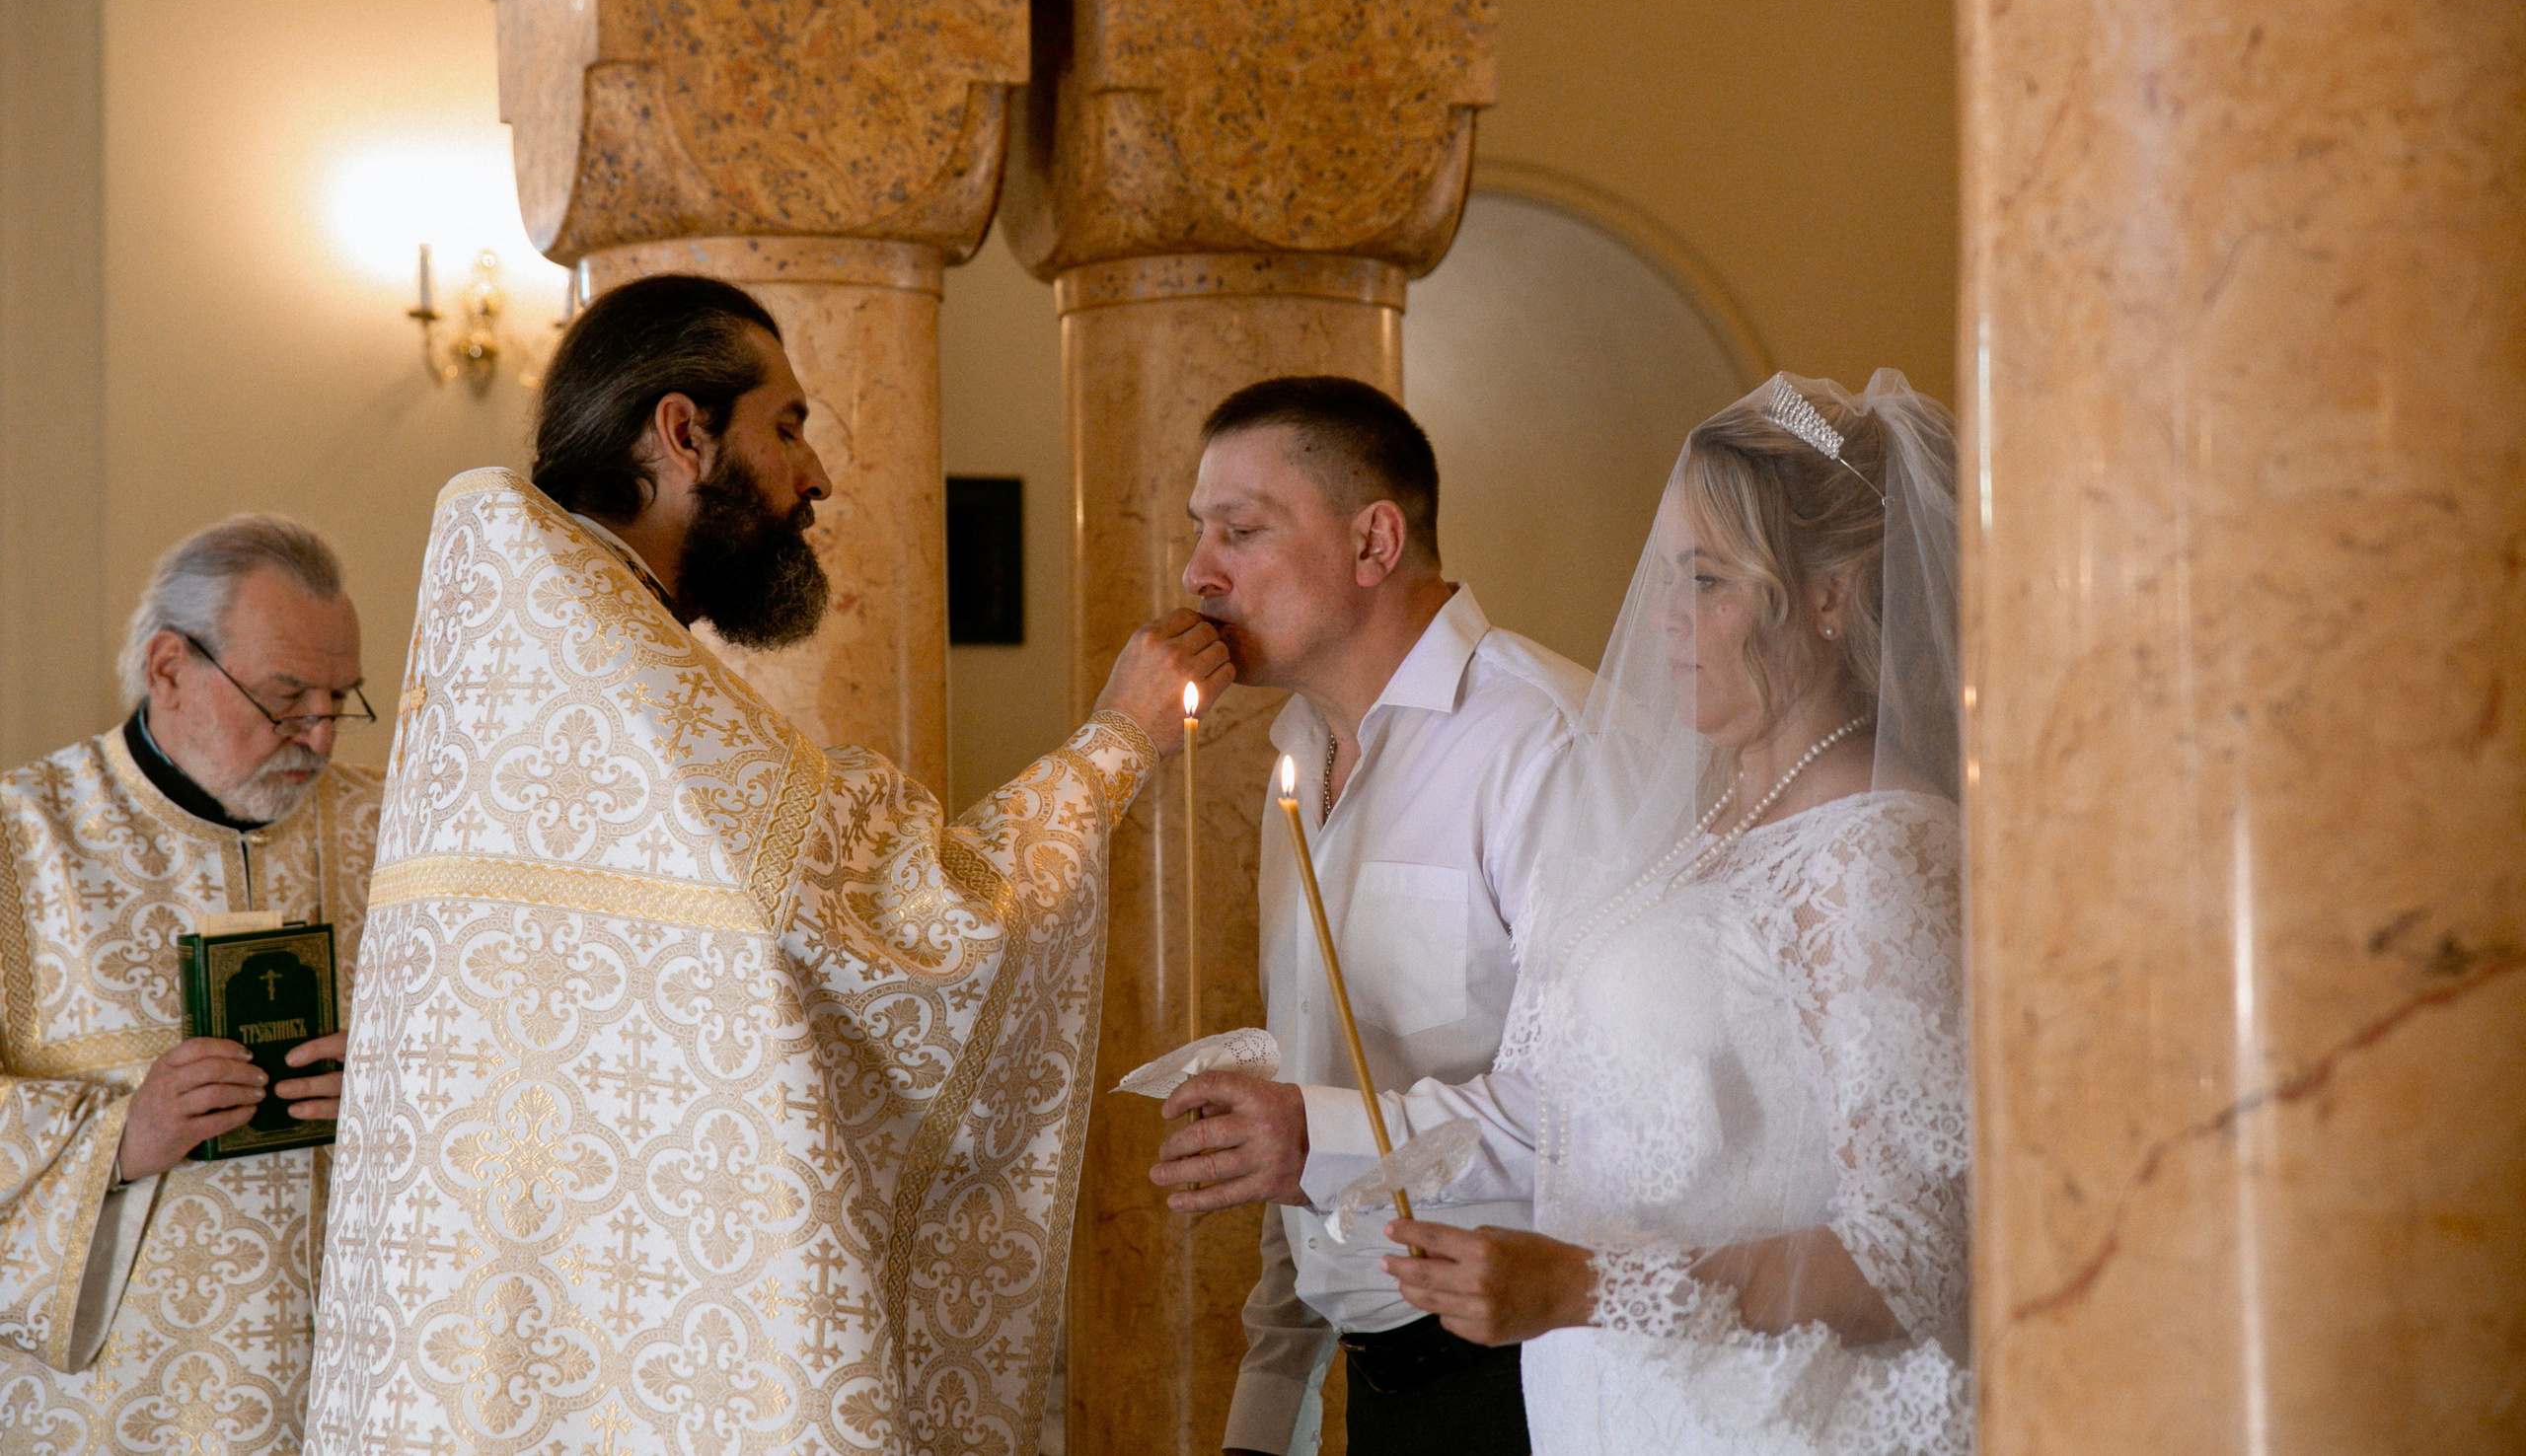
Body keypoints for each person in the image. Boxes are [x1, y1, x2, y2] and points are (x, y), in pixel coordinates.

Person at [304, 274, 1228, 1456]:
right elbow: (911, 918)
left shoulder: (539, 658)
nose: (819, 476)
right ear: (684, 434)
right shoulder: (598, 667)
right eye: (787, 427)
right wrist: (1117, 742)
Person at [1338, 372, 1971, 1453]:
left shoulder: (1874, 850)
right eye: (1665, 578)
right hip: (1623, 1412)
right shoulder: (1695, 833)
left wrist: (1590, 1288)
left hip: (1784, 1426)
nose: (1667, 624)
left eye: (1709, 582)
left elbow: (1920, 1249)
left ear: (1829, 594)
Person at [1146, 377, 1591, 1456]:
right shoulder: (1299, 749)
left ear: (1373, 541)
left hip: (1537, 1373)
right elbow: (1311, 1098)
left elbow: (1604, 1109)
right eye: (1197, 532)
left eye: (1240, 531)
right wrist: (1265, 1417)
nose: (1198, 573)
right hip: (1373, 1375)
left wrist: (1312, 1135)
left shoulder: (1543, 746)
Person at [0, 516, 381, 1454]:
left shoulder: (396, 832)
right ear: (169, 668)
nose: (322, 734)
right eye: (288, 698)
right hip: (124, 1408)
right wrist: (119, 1139)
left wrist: (408, 1087)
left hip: (356, 1389)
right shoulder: (21, 844)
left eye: (342, 698)